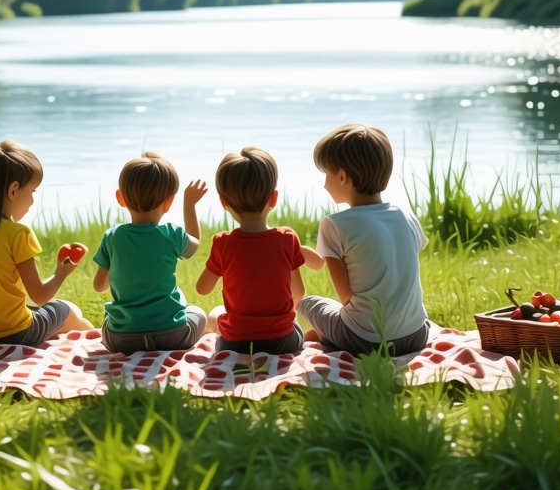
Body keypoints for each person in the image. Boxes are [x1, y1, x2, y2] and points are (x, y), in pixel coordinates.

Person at [297, 123, 429, 356]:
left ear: (341, 177)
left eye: (326, 174)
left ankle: (309, 340)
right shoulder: (405, 214)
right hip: (416, 335)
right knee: (343, 315)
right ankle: (327, 337)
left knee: (308, 302)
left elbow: (346, 298)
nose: (324, 183)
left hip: (365, 341)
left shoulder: (334, 225)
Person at [0, 139, 94, 346]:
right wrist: (62, 272)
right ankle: (98, 341)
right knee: (67, 310)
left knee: (47, 314)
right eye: (32, 191)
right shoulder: (18, 234)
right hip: (15, 334)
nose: (33, 200)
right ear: (13, 190)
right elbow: (40, 296)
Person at [195, 146, 324, 355]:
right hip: (282, 342)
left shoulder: (222, 243)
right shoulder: (287, 238)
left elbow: (202, 289)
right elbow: (298, 292)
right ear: (273, 199)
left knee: (216, 315)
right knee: (297, 327)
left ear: (223, 202)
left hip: (234, 345)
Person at [92, 151, 209, 353]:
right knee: (198, 313)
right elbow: (195, 243)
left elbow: (99, 285)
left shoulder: (112, 237)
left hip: (120, 341)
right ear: (169, 202)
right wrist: (189, 204)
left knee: (108, 318)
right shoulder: (172, 234)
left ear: (121, 198)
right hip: (173, 336)